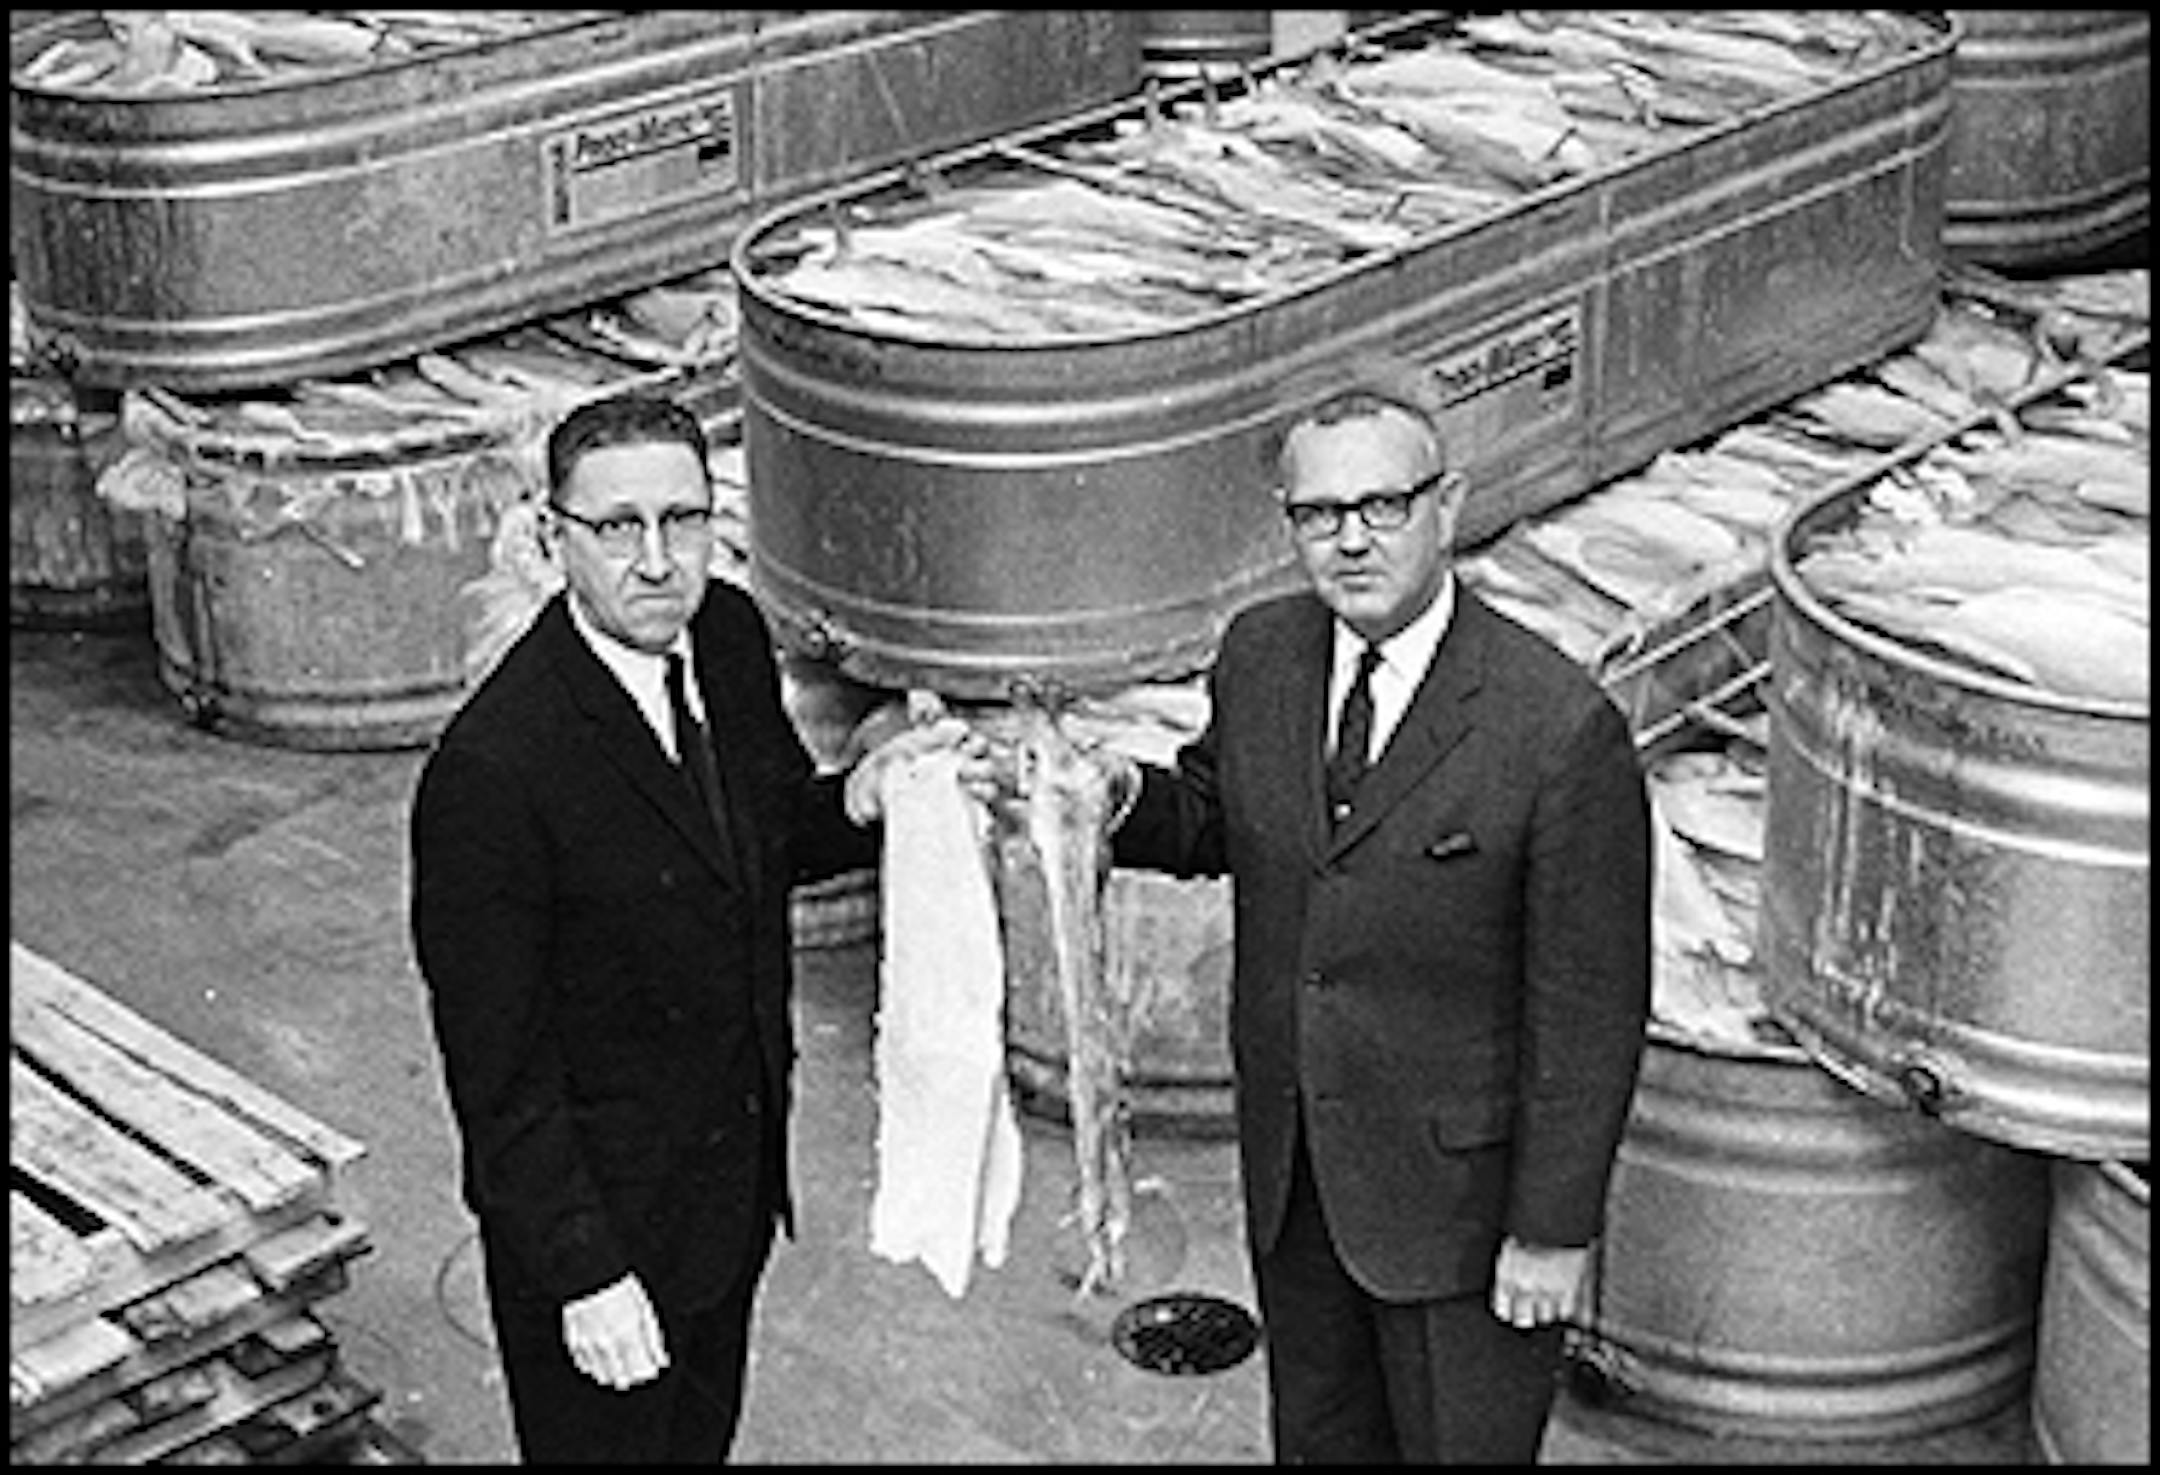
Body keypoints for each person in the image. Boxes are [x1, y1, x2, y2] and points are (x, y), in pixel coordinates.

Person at [1104, 362, 1653, 1463]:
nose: (1350, 539)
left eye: (1382, 506)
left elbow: (1589, 1011)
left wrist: (1550, 1230)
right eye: (1317, 513)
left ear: (1445, 507)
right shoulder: (1262, 654)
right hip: (1300, 1183)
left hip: (1460, 1217)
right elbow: (1220, 817)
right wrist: (1113, 797)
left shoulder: (1554, 728)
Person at [408, 393, 964, 1463]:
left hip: (725, 1196)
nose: (659, 560)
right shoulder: (495, 771)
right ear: (549, 536)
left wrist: (860, 796)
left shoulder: (724, 634)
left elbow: (752, 842)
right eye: (618, 527)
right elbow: (497, 1071)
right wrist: (583, 1273)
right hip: (606, 1235)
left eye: (685, 519)